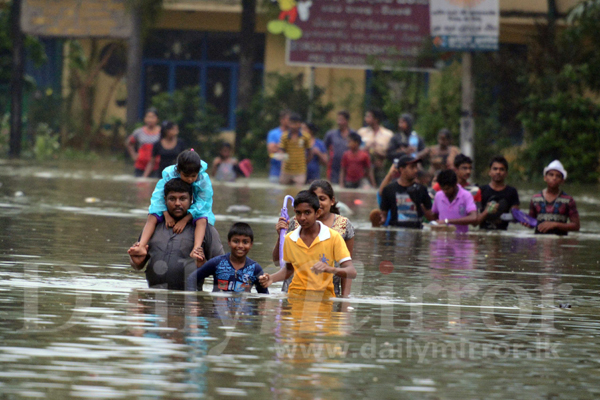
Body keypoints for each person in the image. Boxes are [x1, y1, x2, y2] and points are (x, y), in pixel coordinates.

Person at [128, 178, 224, 290]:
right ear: (164, 200)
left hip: (190, 302)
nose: (177, 203)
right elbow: (138, 264)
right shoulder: (152, 227)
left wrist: (203, 266)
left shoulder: (205, 229)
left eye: (182, 198)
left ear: (191, 200)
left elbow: (222, 268)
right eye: (172, 199)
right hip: (154, 301)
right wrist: (136, 262)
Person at [260, 190, 357, 299]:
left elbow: (351, 272)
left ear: (317, 213)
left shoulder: (333, 237)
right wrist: (271, 278)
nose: (302, 218)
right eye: (298, 213)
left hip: (324, 301)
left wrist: (330, 269)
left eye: (307, 212)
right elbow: (288, 269)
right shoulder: (290, 238)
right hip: (294, 299)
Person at [130, 149, 216, 267]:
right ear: (178, 171)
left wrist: (185, 220)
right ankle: (141, 246)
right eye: (186, 176)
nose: (190, 180)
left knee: (202, 218)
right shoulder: (170, 174)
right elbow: (158, 196)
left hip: (198, 209)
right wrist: (165, 214)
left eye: (193, 176)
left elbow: (203, 202)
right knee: (152, 215)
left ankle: (196, 249)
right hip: (164, 208)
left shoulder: (203, 180)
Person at [186, 223, 269, 293]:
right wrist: (193, 302)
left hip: (244, 311)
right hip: (218, 311)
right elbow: (192, 278)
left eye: (245, 242)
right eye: (236, 241)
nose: (240, 246)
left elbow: (264, 295)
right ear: (229, 242)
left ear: (251, 244)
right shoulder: (217, 263)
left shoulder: (255, 269)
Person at [376, 155, 432, 229]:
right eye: (412, 167)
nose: (416, 170)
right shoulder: (389, 189)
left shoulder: (421, 189)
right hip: (395, 233)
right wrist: (377, 220)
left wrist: (419, 205)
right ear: (402, 169)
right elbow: (383, 217)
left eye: (416, 167)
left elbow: (431, 218)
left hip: (416, 233)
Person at [527, 160, 580, 235]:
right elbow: (531, 224)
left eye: (558, 176)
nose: (554, 178)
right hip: (539, 243)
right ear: (545, 178)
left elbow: (576, 226)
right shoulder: (535, 199)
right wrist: (525, 221)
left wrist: (555, 224)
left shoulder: (568, 200)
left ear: (562, 181)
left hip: (560, 243)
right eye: (551, 175)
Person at [425, 169, 477, 233]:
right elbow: (434, 217)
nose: (445, 191)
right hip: (442, 240)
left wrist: (447, 221)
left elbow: (473, 217)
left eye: (447, 189)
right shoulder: (438, 195)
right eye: (442, 189)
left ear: (454, 185)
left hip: (461, 239)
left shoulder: (466, 195)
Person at [476, 156, 520, 230]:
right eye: (495, 169)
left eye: (501, 169)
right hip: (483, 232)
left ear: (506, 173)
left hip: (503, 233)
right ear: (489, 172)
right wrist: (487, 211)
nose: (498, 172)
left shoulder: (512, 191)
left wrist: (516, 216)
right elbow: (474, 220)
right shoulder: (480, 190)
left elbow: (515, 216)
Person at [357, 108, 393, 183]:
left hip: (381, 168)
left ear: (376, 119)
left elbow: (390, 152)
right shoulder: (361, 132)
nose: (365, 118)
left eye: (368, 116)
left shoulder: (388, 134)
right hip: (364, 170)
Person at [126, 108, 161, 177]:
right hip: (140, 165)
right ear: (145, 119)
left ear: (157, 119)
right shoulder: (139, 132)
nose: (150, 120)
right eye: (148, 117)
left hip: (156, 166)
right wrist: (134, 155)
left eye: (152, 117)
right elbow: (129, 143)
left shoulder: (162, 132)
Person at [278, 113, 311, 185]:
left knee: (298, 191)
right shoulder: (284, 136)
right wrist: (281, 156)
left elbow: (310, 151)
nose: (292, 126)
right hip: (286, 169)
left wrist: (306, 162)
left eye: (294, 124)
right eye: (290, 123)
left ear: (299, 124)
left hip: (300, 170)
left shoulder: (305, 136)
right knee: (284, 191)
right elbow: (282, 150)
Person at [324, 110, 355, 184]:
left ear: (347, 121)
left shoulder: (353, 134)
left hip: (349, 169)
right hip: (334, 168)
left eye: (341, 120)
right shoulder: (331, 134)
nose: (339, 122)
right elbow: (324, 148)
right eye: (338, 120)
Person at [267, 110, 290, 183]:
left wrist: (278, 146)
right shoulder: (273, 133)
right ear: (282, 120)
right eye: (288, 119)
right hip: (275, 172)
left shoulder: (294, 134)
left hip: (291, 172)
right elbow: (271, 149)